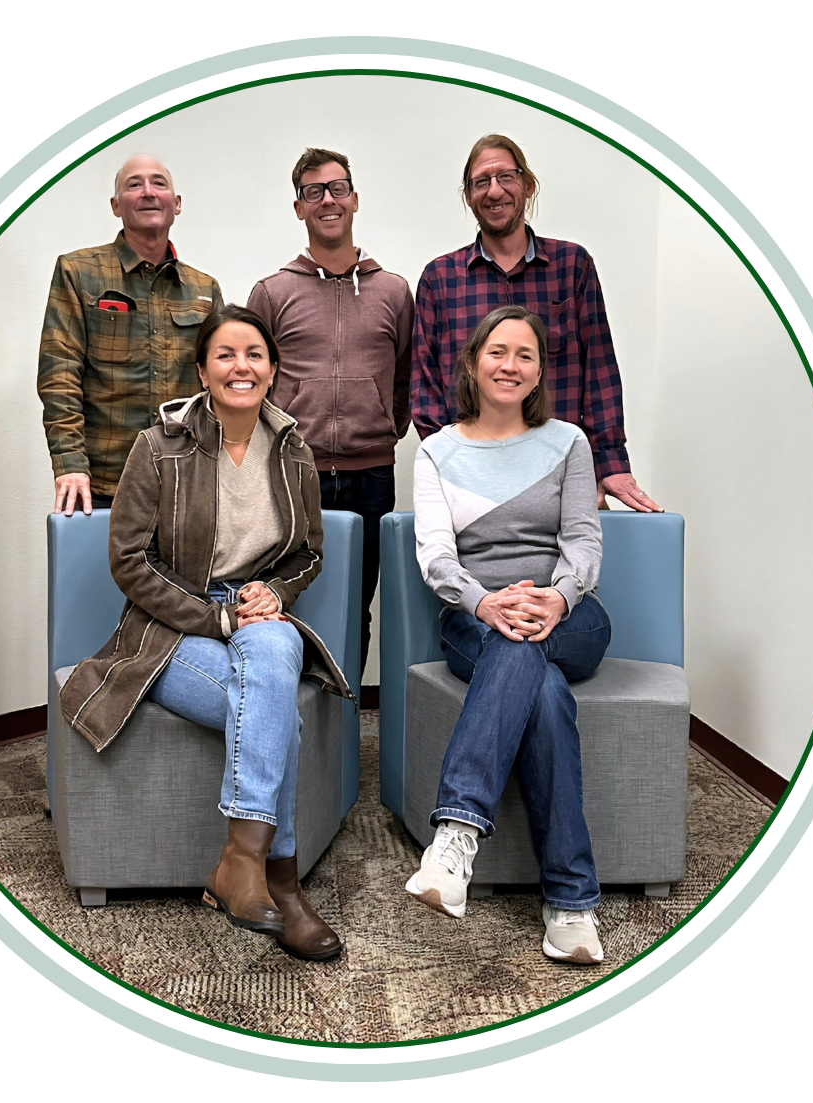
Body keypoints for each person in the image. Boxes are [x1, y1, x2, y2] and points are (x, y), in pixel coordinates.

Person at [59, 304, 352, 961]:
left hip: (258, 615)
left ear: (273, 369)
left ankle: (241, 864)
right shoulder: (158, 445)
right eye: (225, 354)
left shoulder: (293, 449)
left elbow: (308, 551)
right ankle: (283, 881)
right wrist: (217, 615)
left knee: (278, 645)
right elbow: (129, 561)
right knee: (277, 713)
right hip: (169, 627)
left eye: (254, 354)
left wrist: (275, 591)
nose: (240, 366)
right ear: (202, 369)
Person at [405, 305, 611, 965]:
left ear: (539, 369)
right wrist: (487, 600)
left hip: (572, 615)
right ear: (472, 361)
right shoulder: (437, 450)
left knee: (528, 642)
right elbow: (436, 555)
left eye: (526, 354)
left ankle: (457, 833)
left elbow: (583, 537)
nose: (510, 364)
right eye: (498, 351)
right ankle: (572, 901)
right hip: (475, 620)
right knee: (539, 685)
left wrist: (555, 595)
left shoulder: (569, 441)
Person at [411, 134, 661, 513]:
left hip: (559, 478)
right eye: (481, 182)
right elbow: (425, 387)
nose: (494, 192)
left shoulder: (572, 266)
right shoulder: (440, 279)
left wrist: (608, 464)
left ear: (528, 186)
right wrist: (450, 468)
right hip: (471, 488)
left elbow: (599, 369)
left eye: (506, 177)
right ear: (468, 196)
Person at [248, 148, 414, 672]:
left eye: (338, 188)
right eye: (313, 192)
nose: (328, 200)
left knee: (355, 606)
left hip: (372, 479)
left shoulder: (394, 291)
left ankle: (340, 735)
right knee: (284, 602)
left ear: (355, 199)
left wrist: (379, 430)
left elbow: (406, 377)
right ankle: (294, 724)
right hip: (294, 474)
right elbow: (250, 382)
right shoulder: (272, 292)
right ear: (299, 208)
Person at [38, 153, 222, 515]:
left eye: (159, 183)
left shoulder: (205, 289)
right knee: (96, 574)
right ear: (116, 205)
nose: (148, 192)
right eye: (134, 184)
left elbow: (216, 389)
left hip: (184, 482)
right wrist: (70, 463)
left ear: (177, 204)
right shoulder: (78, 272)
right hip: (104, 486)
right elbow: (59, 375)